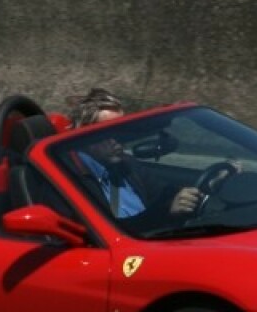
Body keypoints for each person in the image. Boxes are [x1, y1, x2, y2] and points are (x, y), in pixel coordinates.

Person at [66, 88, 204, 220]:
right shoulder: (70, 180)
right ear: (86, 137)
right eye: (108, 133)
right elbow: (108, 233)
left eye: (121, 131)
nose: (118, 141)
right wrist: (165, 213)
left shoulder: (127, 165)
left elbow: (163, 194)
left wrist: (192, 193)